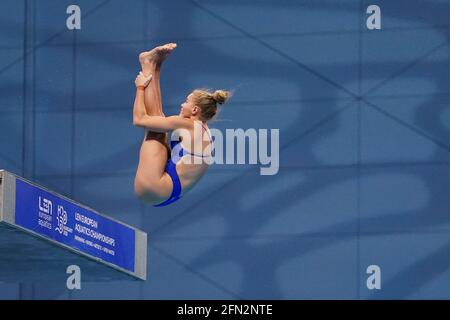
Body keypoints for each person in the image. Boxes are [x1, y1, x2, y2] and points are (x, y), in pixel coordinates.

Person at [132, 43, 231, 207]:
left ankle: (149, 64)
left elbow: (139, 120)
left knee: (156, 129)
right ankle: (153, 65)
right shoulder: (203, 131)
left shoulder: (188, 125)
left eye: (186, 101)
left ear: (194, 109)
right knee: (159, 124)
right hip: (167, 193)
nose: (181, 104)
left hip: (155, 187)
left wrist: (141, 87)